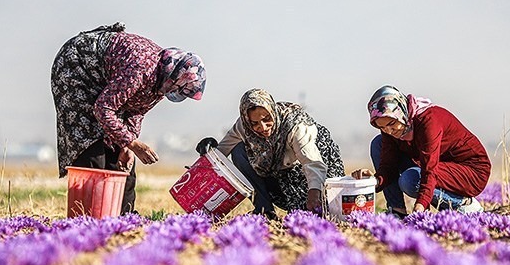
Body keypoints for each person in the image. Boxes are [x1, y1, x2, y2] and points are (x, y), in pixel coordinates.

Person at [51, 22, 206, 214]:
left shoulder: (162, 81)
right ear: (174, 76)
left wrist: (125, 147)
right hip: (77, 68)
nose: (175, 93)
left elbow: (135, 112)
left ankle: (124, 218)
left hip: (106, 81)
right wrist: (133, 143)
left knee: (123, 163)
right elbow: (104, 108)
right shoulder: (140, 70)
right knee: (92, 151)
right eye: (178, 88)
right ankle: (87, 218)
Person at [196, 88, 345, 219]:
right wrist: (208, 152)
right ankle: (264, 210)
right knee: (238, 150)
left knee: (318, 211)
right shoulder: (243, 126)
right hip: (282, 174)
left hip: (313, 172)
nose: (263, 127)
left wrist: (314, 192)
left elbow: (312, 162)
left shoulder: (294, 126)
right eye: (255, 123)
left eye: (267, 119)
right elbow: (222, 151)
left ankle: (316, 202)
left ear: (272, 111)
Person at [351, 85, 491, 216]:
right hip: (439, 167)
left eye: (392, 123)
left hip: (471, 170)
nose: (388, 130)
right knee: (378, 143)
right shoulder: (392, 130)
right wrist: (373, 181)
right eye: (382, 127)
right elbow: (389, 166)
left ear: (401, 112)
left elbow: (430, 169)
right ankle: (397, 211)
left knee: (411, 180)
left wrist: (421, 206)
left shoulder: (428, 121)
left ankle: (463, 203)